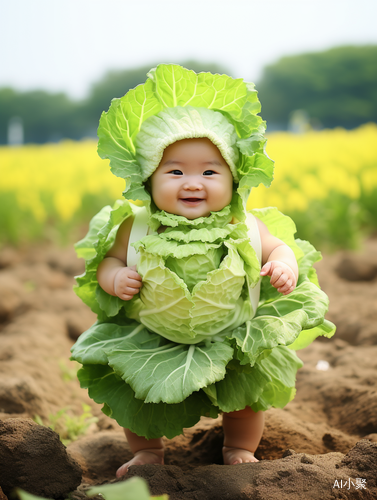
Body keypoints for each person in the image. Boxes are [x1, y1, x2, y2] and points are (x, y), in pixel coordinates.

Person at [70, 64, 334, 478]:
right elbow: (109, 262)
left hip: (233, 331)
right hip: (151, 335)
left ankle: (238, 446)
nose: (192, 182)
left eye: (210, 172)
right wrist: (115, 278)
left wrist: (281, 265)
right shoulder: (135, 225)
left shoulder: (244, 224)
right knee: (132, 395)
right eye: (174, 171)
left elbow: (280, 246)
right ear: (148, 179)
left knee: (245, 395)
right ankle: (147, 453)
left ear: (234, 180)